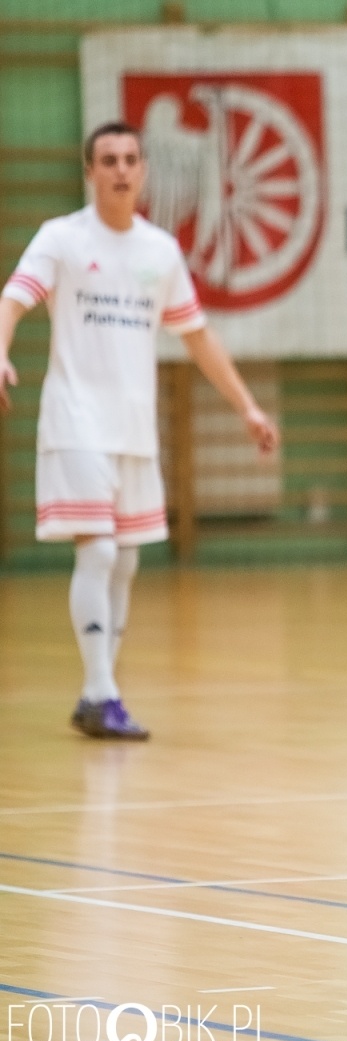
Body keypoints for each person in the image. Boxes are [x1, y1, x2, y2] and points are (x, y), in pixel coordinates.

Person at [0, 121, 279, 741]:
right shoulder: (62, 239)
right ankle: (102, 693)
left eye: (131, 159)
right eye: (108, 160)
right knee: (97, 550)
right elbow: (13, 298)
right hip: (75, 421)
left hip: (133, 429)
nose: (121, 170)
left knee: (124, 560)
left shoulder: (160, 252)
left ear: (143, 171)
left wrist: (248, 408)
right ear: (89, 172)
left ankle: (95, 691)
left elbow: (198, 336)